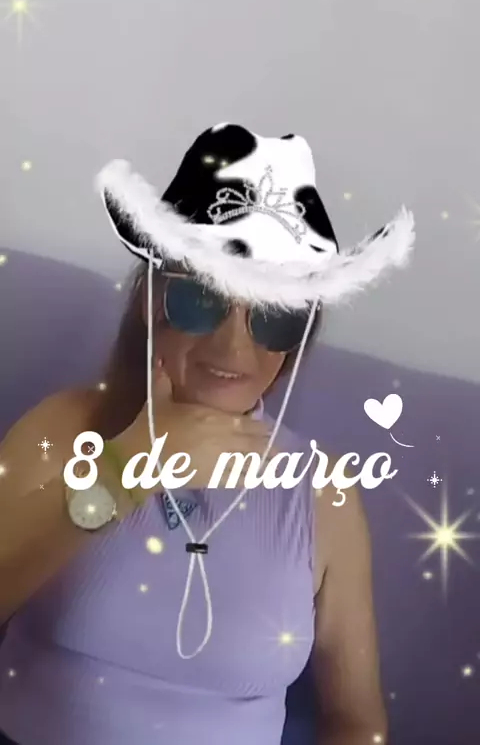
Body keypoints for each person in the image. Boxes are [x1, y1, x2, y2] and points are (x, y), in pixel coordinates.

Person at [0, 124, 415, 745]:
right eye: (202, 301)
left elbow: (355, 719)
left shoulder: (322, 493)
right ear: (153, 301)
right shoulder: (66, 429)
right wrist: (127, 467)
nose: (233, 349)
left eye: (273, 316)